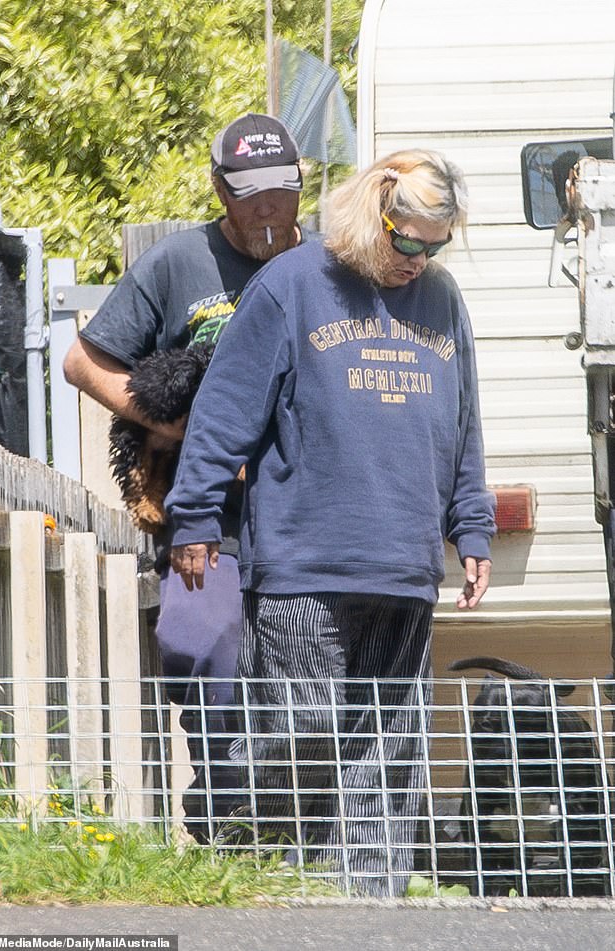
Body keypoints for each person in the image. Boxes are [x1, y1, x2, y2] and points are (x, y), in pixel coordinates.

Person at [165, 148, 496, 893]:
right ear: (371, 217)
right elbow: (224, 410)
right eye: (409, 240)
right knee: (300, 738)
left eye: (436, 245)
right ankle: (277, 895)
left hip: (404, 569)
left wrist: (470, 526)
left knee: (388, 756)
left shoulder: (442, 302)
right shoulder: (292, 285)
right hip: (302, 564)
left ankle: (369, 915)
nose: (421, 259)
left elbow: (464, 420)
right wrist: (192, 519)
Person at [63, 113, 313, 842]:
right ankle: (225, 813)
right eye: (249, 195)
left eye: (280, 192)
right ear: (218, 190)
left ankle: (305, 828)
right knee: (200, 638)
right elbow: (83, 362)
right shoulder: (180, 263)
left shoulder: (330, 262)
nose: (267, 210)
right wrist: (174, 428)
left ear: (300, 188)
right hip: (208, 512)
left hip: (301, 509)